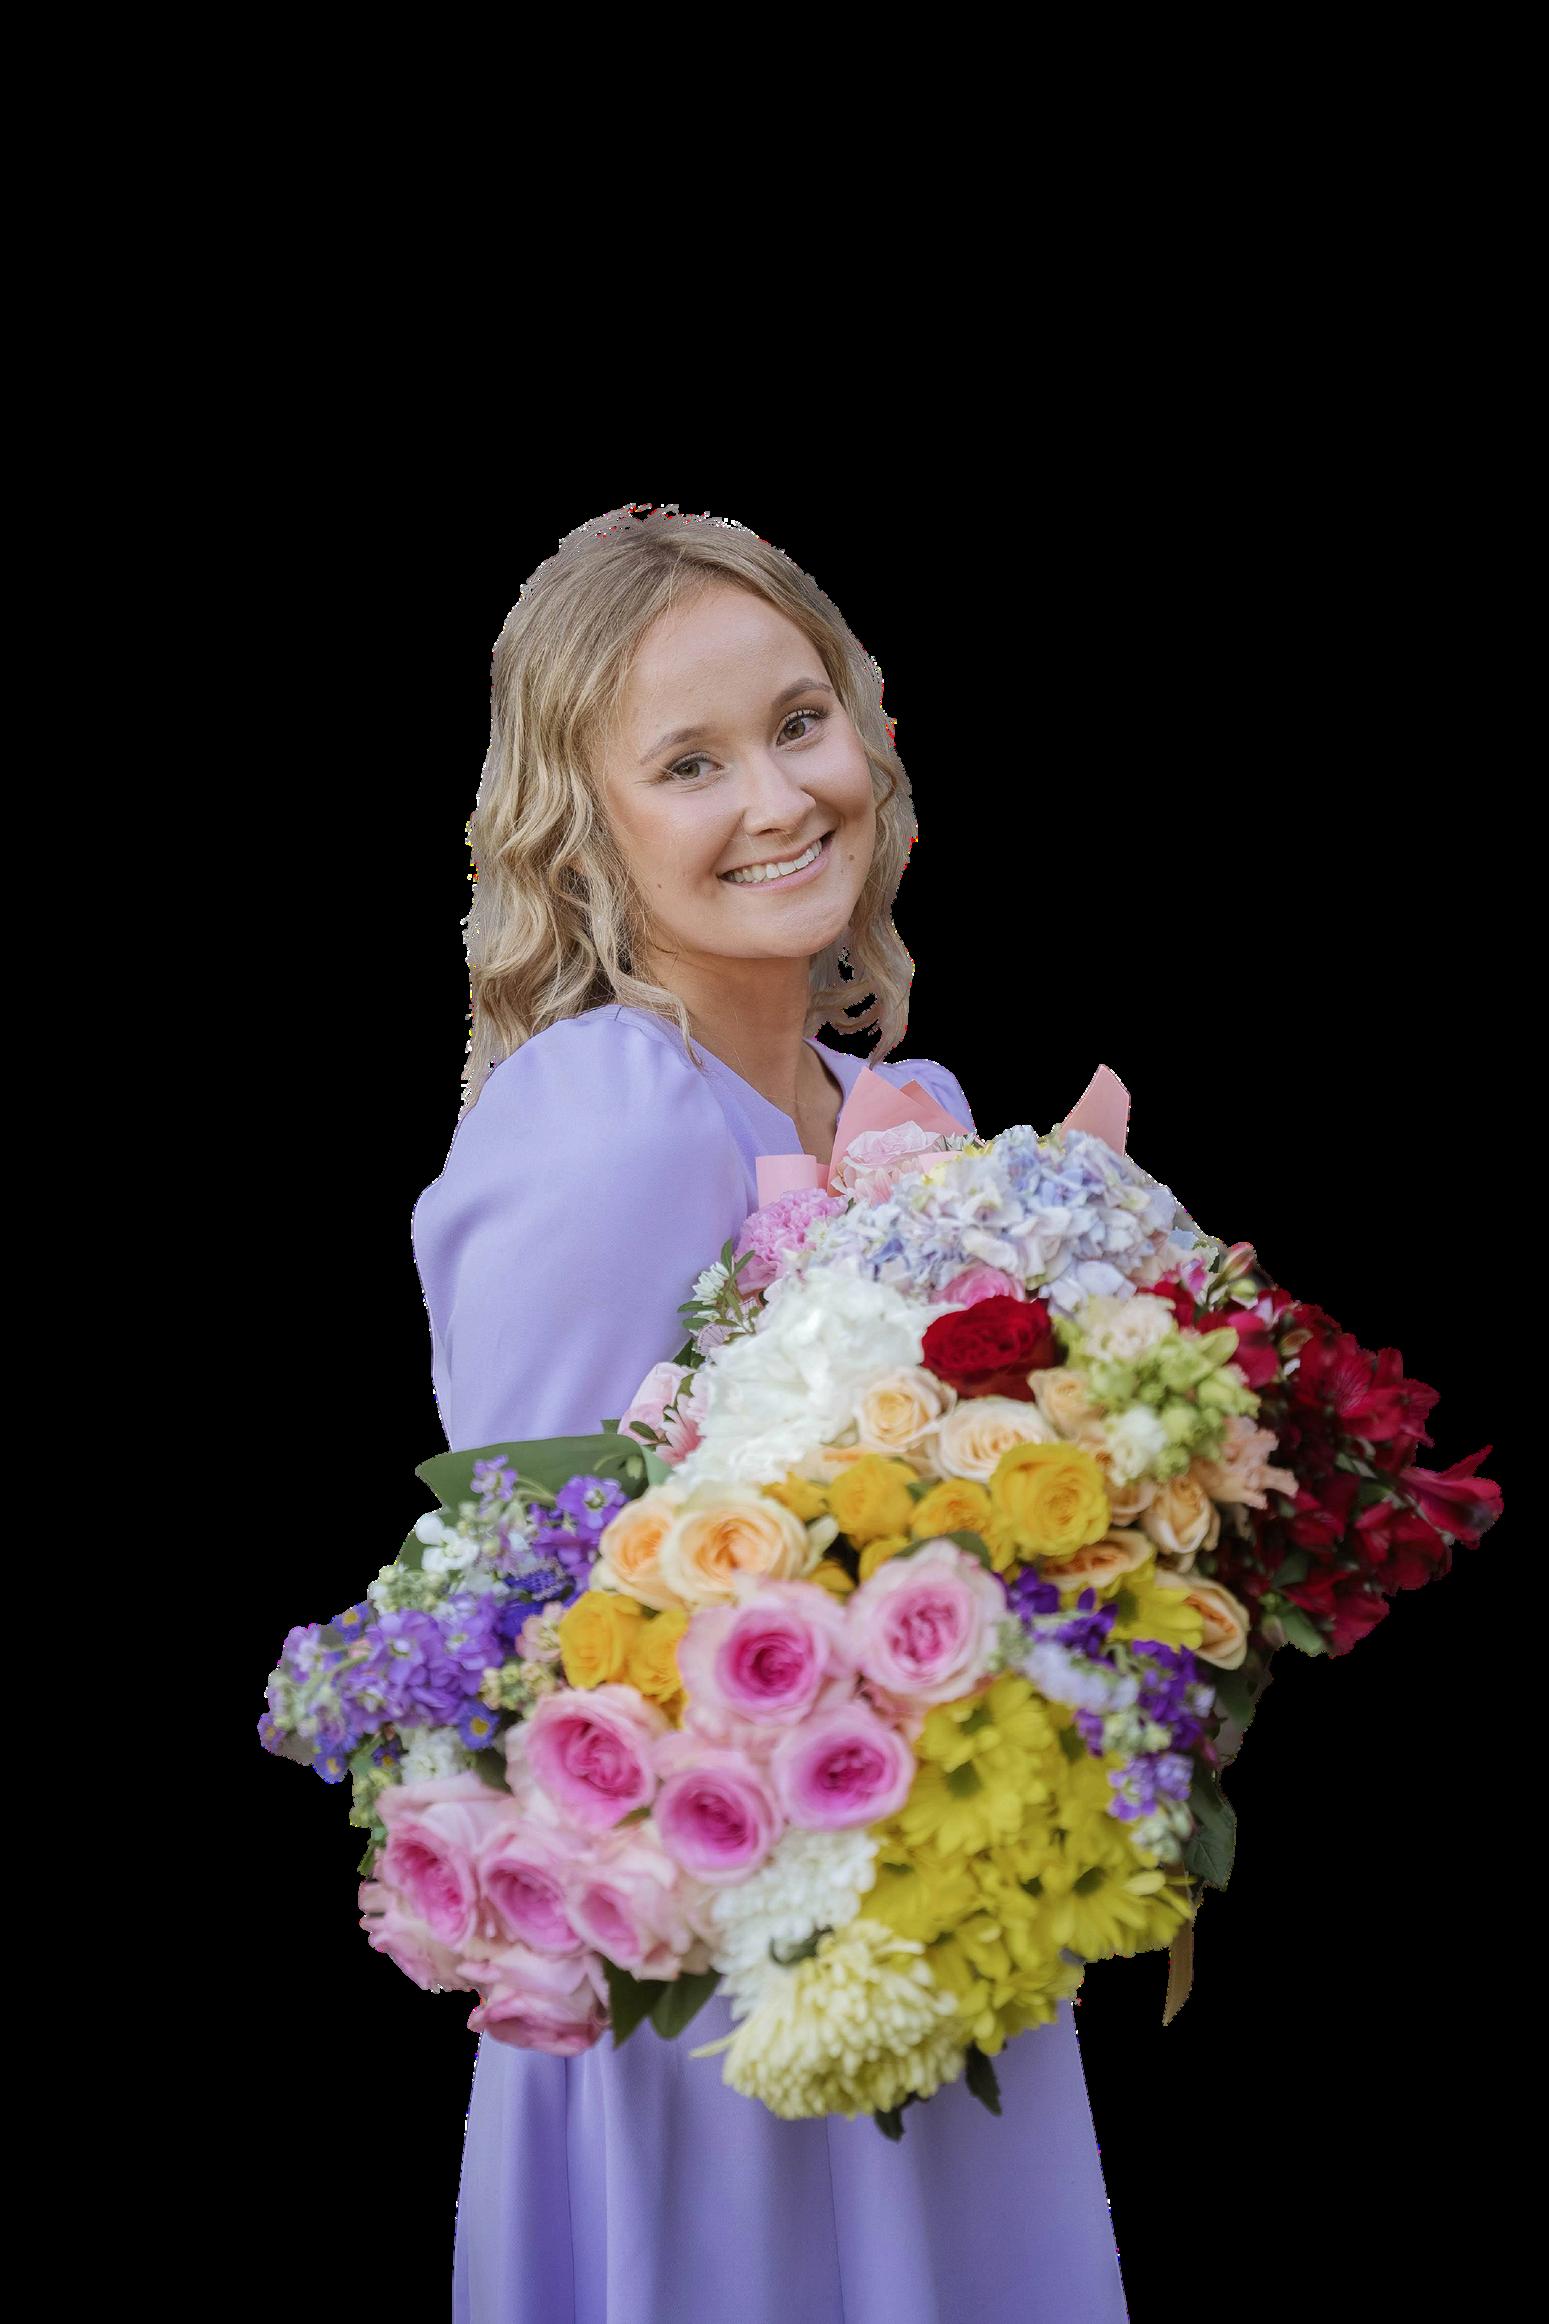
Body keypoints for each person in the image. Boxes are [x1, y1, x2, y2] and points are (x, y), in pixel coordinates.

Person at [410, 505, 1131, 2323]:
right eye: (689, 762)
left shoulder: (920, 1117)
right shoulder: (606, 1119)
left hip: (937, 1937)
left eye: (800, 723)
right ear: (586, 831)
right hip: (719, 2000)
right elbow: (530, 1639)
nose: (777, 796)